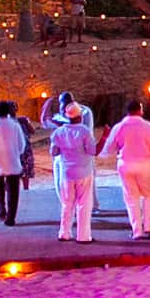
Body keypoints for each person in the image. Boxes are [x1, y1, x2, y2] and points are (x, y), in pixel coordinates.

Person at [101, 99, 150, 239]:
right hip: (144, 164)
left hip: (126, 164)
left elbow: (109, 148)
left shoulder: (119, 127)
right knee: (147, 195)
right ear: (140, 110)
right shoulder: (148, 126)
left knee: (131, 198)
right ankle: (148, 227)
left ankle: (137, 231)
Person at [49, 103, 97, 243]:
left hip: (66, 173)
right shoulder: (84, 131)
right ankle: (83, 236)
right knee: (84, 204)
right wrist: (105, 137)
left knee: (67, 204)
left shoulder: (58, 132)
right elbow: (92, 151)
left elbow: (54, 152)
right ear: (80, 116)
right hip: (84, 171)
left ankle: (64, 233)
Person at [13, 102, 39, 190]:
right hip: (13, 151)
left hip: (25, 149)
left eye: (15, 108)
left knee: (25, 172)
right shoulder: (7, 123)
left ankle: (26, 189)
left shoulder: (22, 120)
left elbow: (32, 131)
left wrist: (27, 122)